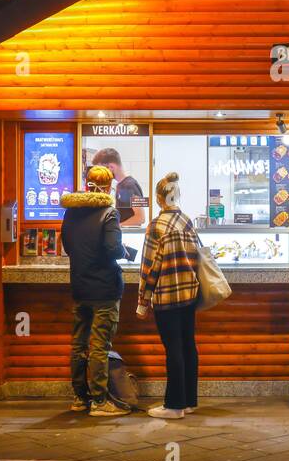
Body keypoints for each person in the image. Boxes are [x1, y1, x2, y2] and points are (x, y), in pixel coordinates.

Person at [61, 165, 129, 417]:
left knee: (79, 345)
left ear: (87, 182)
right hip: (104, 289)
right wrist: (123, 252)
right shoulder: (109, 213)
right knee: (100, 345)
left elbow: (68, 246)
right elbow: (113, 249)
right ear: (108, 186)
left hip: (80, 286)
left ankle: (80, 398)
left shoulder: (71, 212)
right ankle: (100, 401)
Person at [135, 171, 201, 419]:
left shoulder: (156, 226)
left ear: (160, 198)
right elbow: (198, 256)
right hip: (189, 293)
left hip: (166, 296)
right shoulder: (186, 221)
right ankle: (189, 401)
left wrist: (143, 302)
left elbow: (149, 267)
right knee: (188, 345)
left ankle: (174, 406)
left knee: (172, 348)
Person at [92, 147, 144, 227]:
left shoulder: (131, 185)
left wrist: (116, 226)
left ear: (111, 167)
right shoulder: (119, 185)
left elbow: (140, 218)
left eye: (101, 170)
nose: (100, 174)